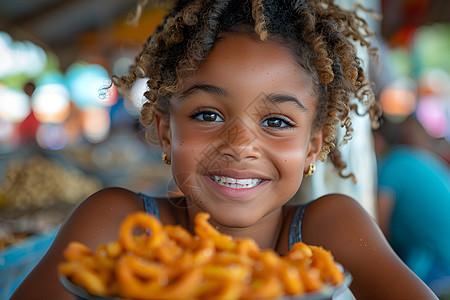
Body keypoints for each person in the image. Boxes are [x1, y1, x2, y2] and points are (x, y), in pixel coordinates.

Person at [12, 0, 437, 299]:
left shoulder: (330, 229)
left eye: (276, 122)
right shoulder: (117, 223)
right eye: (207, 115)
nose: (240, 145)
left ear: (312, 147)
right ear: (164, 131)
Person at [374, 115, 450, 297]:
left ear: (376, 140)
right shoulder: (418, 159)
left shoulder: (393, 164)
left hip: (440, 267)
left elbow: (379, 230)